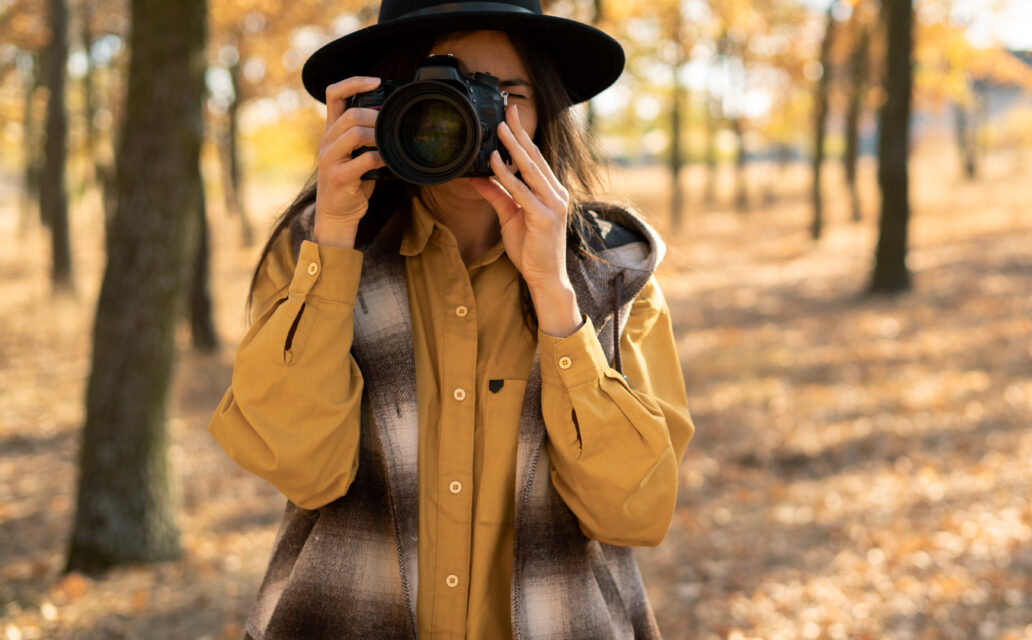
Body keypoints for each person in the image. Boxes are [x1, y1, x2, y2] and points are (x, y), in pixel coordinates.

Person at [206, 1, 695, 638]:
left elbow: (634, 511)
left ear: (546, 106)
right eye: (439, 88)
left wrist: (556, 295)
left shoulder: (615, 277)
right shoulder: (315, 255)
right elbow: (304, 471)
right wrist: (331, 242)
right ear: (383, 103)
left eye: (502, 92)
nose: (463, 114)